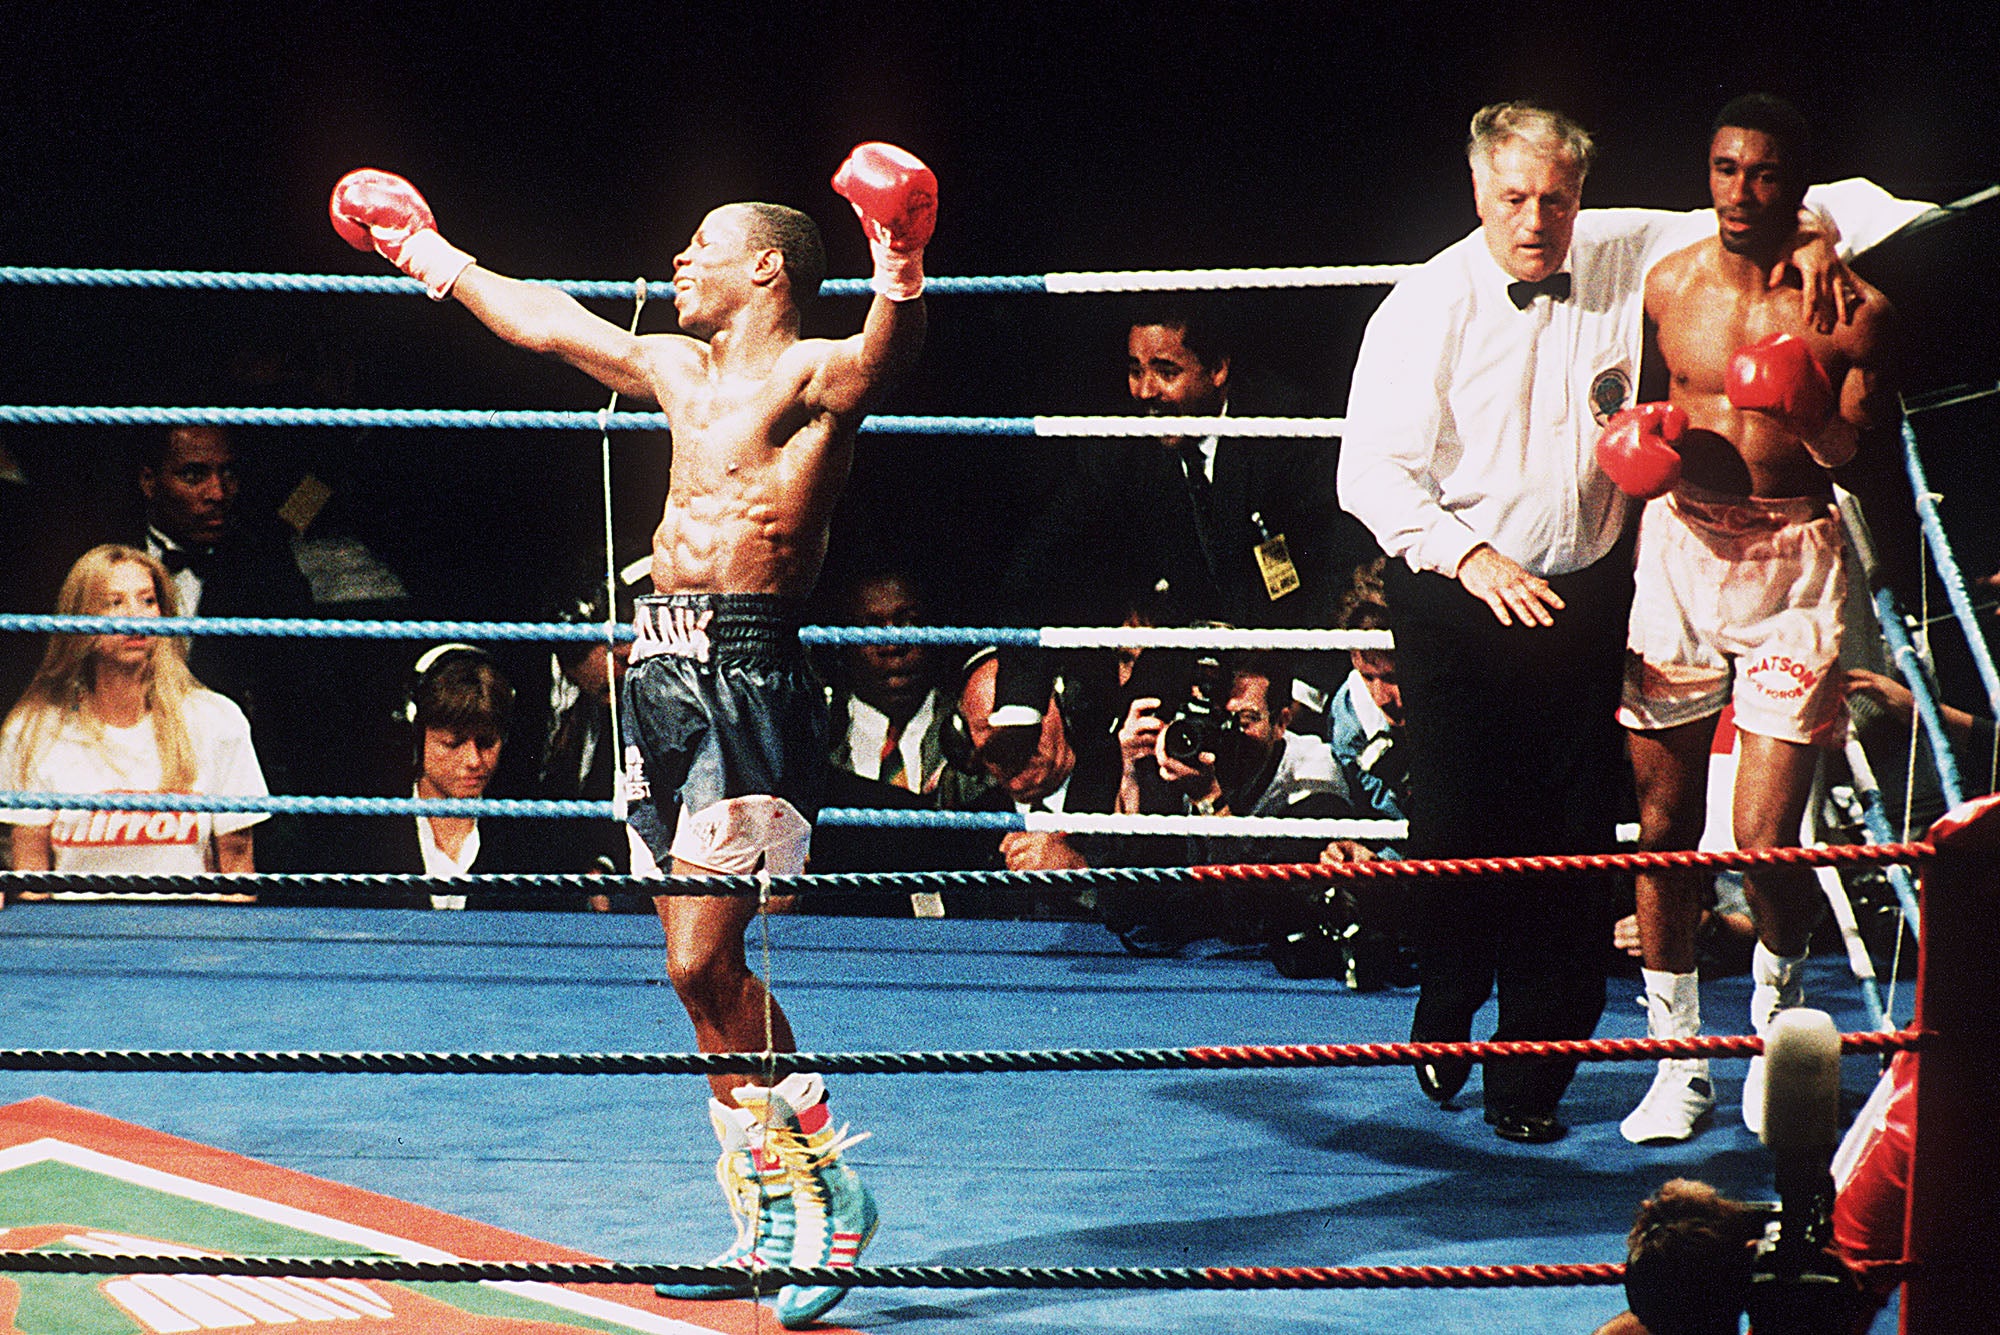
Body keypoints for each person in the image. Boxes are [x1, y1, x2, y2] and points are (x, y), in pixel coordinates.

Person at [329, 141, 932, 1327]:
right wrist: (422, 250)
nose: (676, 261)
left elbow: (881, 358)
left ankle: (835, 1192)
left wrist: (897, 255)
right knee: (695, 987)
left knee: (700, 962)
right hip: (654, 676)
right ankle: (764, 1228)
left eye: (700, 247)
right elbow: (546, 324)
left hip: (747, 672)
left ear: (764, 269)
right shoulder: (672, 366)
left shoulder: (810, 373)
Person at [1337, 100, 1919, 1145]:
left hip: (1593, 590)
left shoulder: (1625, 246)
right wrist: (1471, 559)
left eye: (1555, 198)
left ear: (1579, 198)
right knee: (1458, 831)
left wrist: (1821, 239)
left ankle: (1532, 1076)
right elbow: (1367, 474)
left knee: (1576, 840)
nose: (1535, 220)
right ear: (1477, 193)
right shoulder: (1420, 307)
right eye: (1514, 197)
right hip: (1456, 593)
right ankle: (1447, 997)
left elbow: (1795, 197)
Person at [1610, 96, 1897, 1145]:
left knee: (1764, 837)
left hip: (1791, 562)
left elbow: (1844, 458)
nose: (1740, 192)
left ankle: (1775, 1035)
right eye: (1725, 170)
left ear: (1796, 184)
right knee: (1659, 829)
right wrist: (1629, 444)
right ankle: (1674, 1064)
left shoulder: (1846, 306)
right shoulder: (1666, 286)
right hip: (1681, 552)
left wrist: (1803, 407)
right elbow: (1631, 404)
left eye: (1764, 174)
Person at [999, 294, 1377, 725]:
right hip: (1187, 660)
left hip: (1293, 667)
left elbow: (1342, 563)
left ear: (1217, 370)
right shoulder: (1123, 445)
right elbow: (1042, 558)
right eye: (1135, 370)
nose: (1145, 391)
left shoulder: (1285, 429)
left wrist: (1302, 686)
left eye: (1166, 371)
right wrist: (1021, 696)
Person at [0, 545, 267, 899]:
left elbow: (238, 875)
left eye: (147, 601)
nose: (135, 616)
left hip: (191, 942)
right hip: (76, 942)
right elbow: (31, 879)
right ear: (80, 618)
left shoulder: (217, 721)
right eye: (114, 603)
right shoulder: (34, 729)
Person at [1111, 646, 1368, 953]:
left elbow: (1255, 919)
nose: (1227, 734)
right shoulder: (1182, 752)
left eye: (1245, 720)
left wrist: (1210, 801)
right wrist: (1128, 773)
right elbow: (1121, 908)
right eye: (1217, 717)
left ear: (1281, 722)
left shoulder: (1313, 780)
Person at [129, 425, 318, 794]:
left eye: (228, 473)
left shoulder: (269, 570)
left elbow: (297, 703)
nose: (217, 493)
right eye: (194, 475)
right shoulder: (101, 558)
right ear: (149, 480)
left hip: (232, 778)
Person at [317, 644, 542, 909]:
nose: (474, 761)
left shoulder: (528, 842)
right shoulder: (364, 837)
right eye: (452, 744)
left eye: (486, 743)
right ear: (415, 737)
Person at [1325, 557, 1410, 824]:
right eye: (1367, 677)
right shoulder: (1349, 719)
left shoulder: (1459, 695)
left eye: (1392, 677)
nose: (1381, 698)